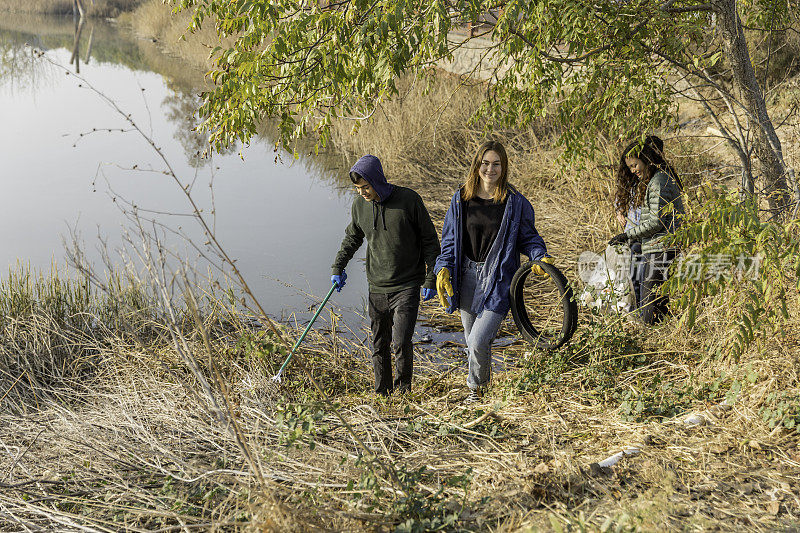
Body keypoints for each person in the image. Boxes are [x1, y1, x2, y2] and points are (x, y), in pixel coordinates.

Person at [434, 140, 552, 403]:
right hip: (465, 277)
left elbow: (529, 238)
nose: (490, 169)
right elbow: (450, 240)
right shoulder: (461, 198)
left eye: (496, 164)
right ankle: (484, 389)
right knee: (471, 340)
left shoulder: (515, 203)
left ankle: (474, 391)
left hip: (498, 279)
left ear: (504, 167)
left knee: (477, 340)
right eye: (485, 163)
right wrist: (442, 268)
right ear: (477, 166)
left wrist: (539, 256)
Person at [331, 155, 440, 396]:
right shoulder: (360, 206)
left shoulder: (409, 200)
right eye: (358, 189)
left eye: (366, 187)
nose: (362, 193)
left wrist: (431, 278)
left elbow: (430, 242)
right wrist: (338, 267)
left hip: (407, 284)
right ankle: (382, 392)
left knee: (401, 342)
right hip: (377, 286)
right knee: (379, 344)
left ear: (377, 181)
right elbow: (352, 238)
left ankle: (403, 394)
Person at [608, 135, 684, 325]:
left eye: (635, 165)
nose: (633, 171)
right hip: (653, 246)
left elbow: (656, 222)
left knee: (649, 309)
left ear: (646, 159)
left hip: (662, 247)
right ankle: (661, 333)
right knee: (654, 302)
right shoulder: (652, 181)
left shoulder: (658, 182)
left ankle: (653, 335)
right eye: (630, 167)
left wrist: (627, 235)